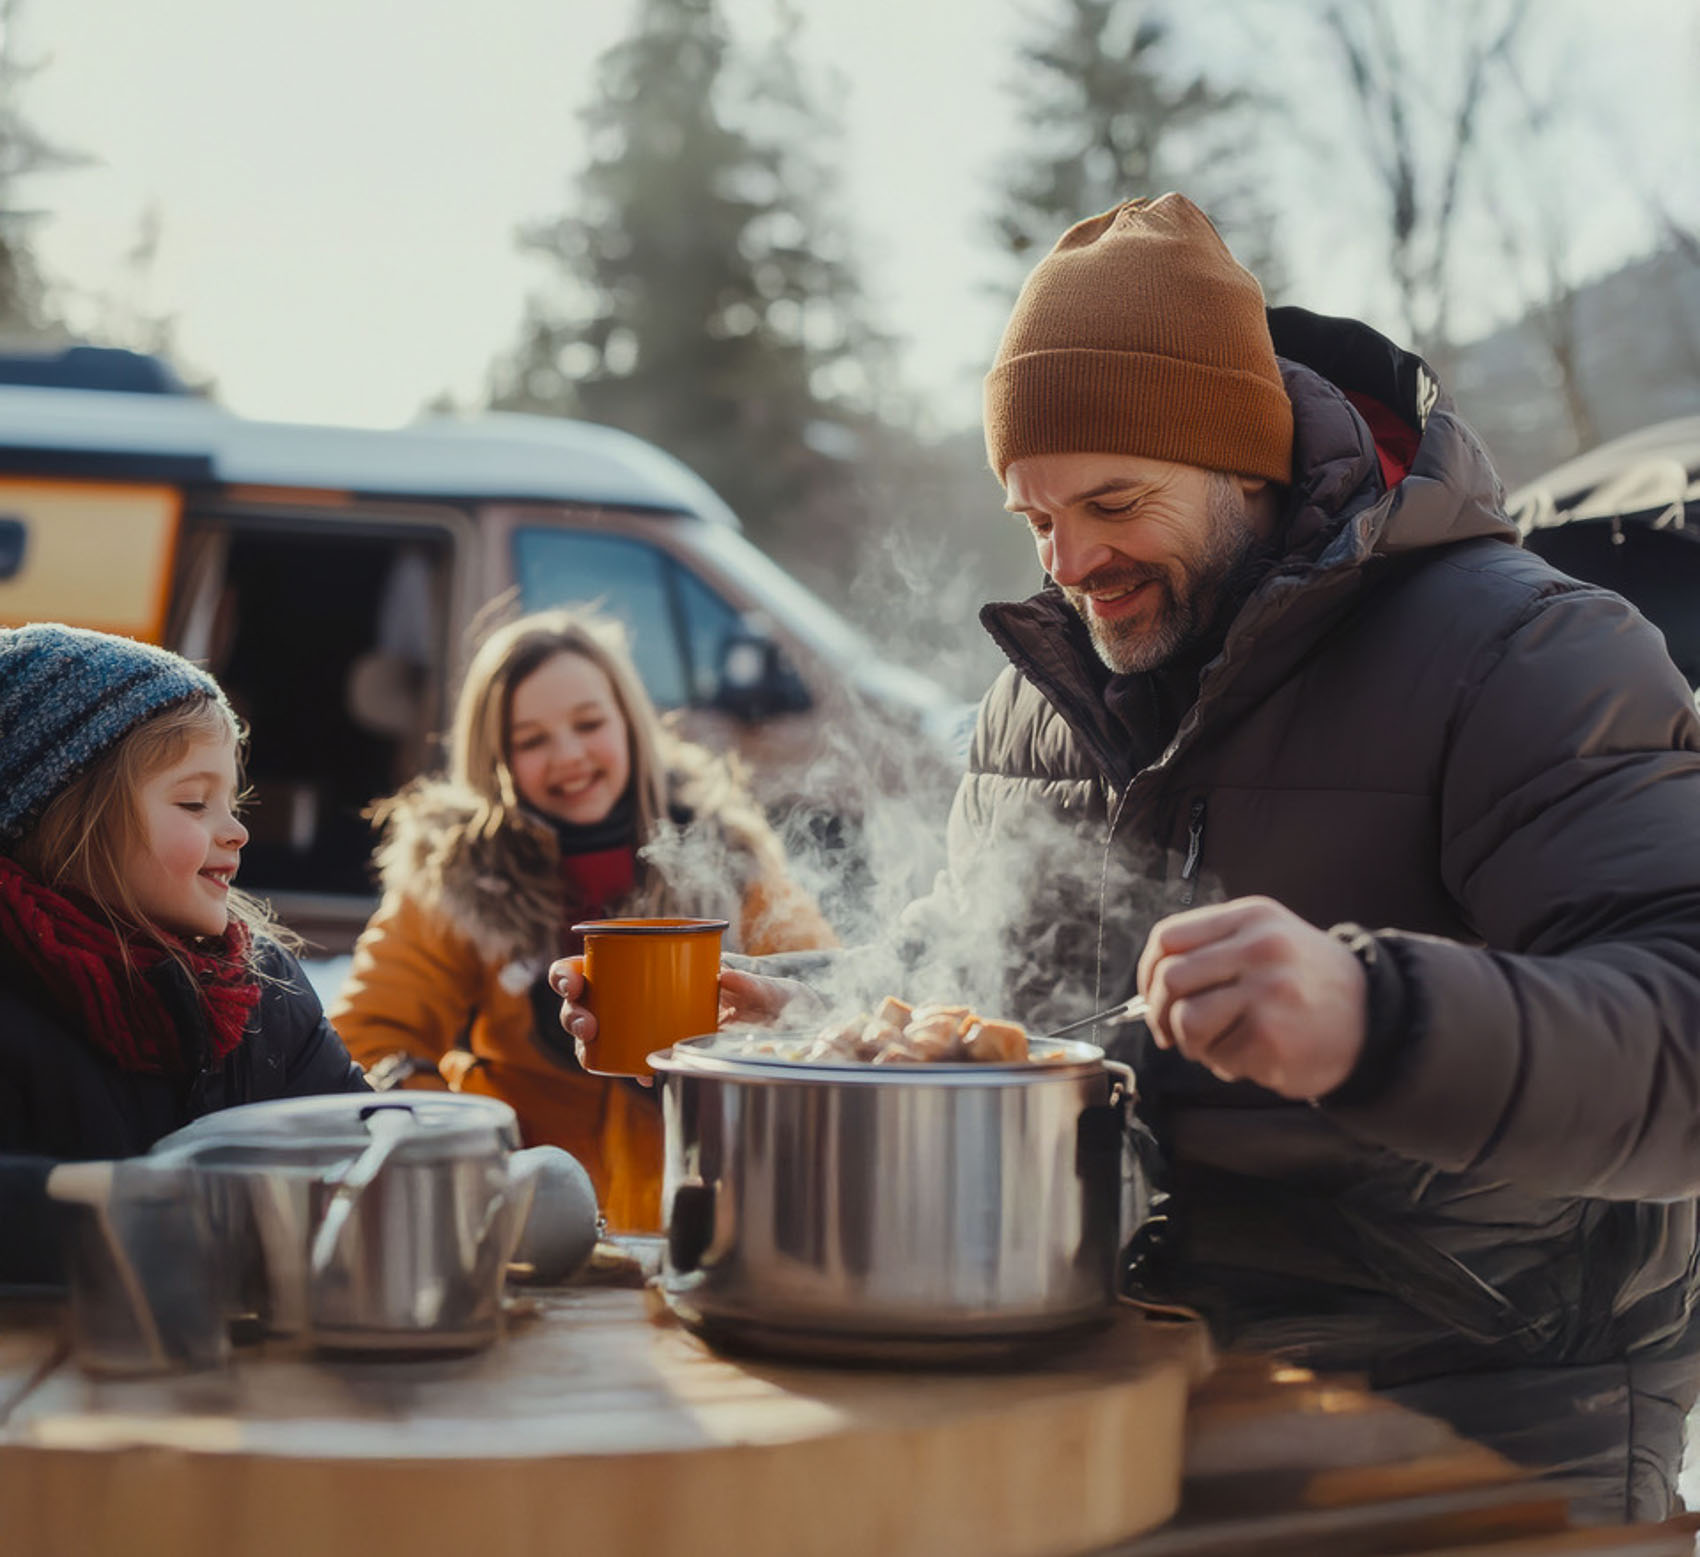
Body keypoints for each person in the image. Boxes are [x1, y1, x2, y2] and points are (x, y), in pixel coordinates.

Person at [558, 196, 1700, 1522]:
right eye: (1034, 516)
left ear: (1244, 462)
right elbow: (999, 983)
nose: (1072, 562)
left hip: (1480, 1407)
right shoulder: (1045, 697)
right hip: (1125, 1377)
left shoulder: (1526, 655)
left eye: (1113, 502)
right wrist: (805, 1018)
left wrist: (1372, 1018)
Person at [332, 607, 835, 1232]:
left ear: (630, 724)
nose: (568, 755)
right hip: (525, 1225)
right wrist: (477, 1154)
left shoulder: (726, 852)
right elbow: (369, 1037)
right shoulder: (458, 874)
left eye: (589, 723)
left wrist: (737, 1040)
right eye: (532, 739)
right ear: (497, 757)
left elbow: (820, 1004)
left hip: (705, 1209)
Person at [0, 624, 369, 1287]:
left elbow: (363, 1141)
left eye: (232, 800)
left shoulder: (263, 987)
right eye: (194, 802)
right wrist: (153, 1208)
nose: (237, 830)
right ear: (68, 819)